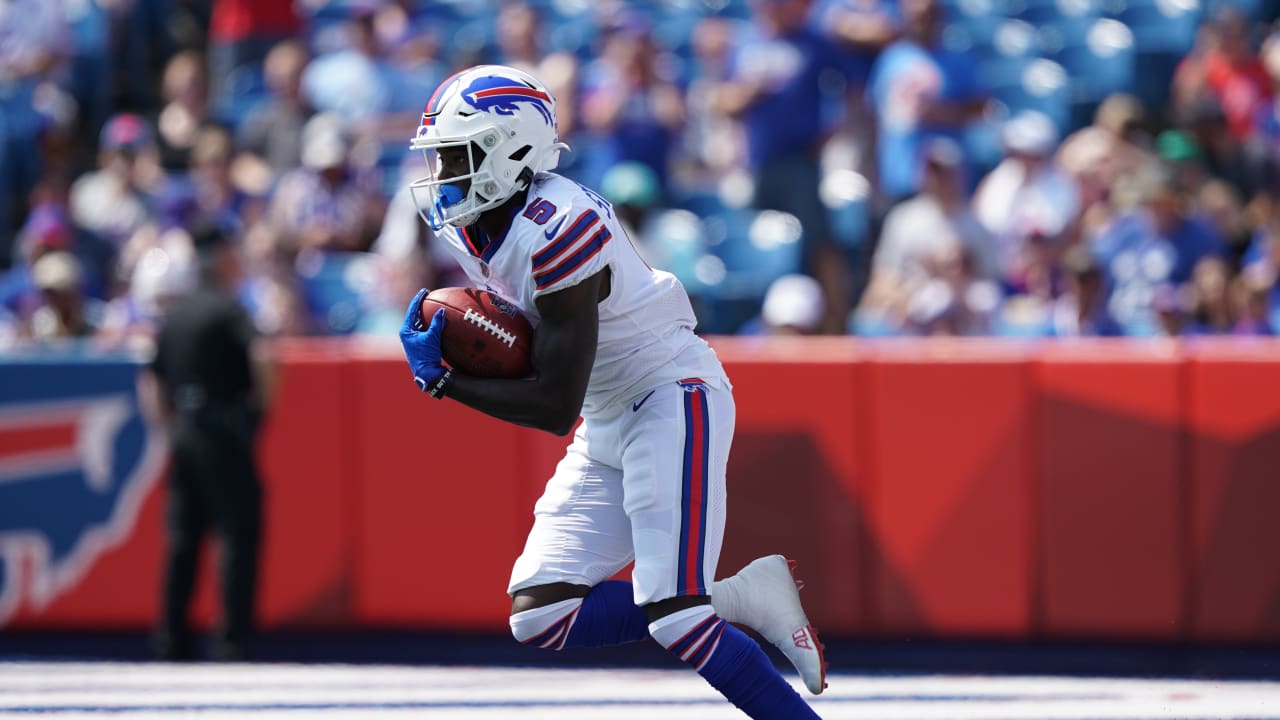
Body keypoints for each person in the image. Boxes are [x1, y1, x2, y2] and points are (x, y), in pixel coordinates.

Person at [396, 65, 827, 718]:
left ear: (507, 148)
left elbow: (551, 406)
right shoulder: (476, 220)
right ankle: (740, 596)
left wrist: (446, 381)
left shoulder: (559, 225)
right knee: (543, 613)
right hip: (608, 411)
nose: (444, 171)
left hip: (667, 392)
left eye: (457, 153)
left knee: (679, 618)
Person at [139, 223, 274, 661]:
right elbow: (263, 358)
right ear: (221, 262)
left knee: (183, 539)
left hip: (184, 432)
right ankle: (231, 640)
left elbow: (151, 380)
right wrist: (258, 412)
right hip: (223, 430)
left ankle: (171, 638)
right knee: (237, 533)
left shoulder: (175, 315)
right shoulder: (230, 310)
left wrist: (167, 430)